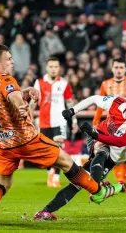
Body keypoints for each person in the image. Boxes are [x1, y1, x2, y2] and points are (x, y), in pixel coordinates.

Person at [0, 44, 121, 228]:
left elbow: (5, 96)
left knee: (2, 184)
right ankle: (97, 191)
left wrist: (25, 93)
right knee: (66, 162)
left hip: (3, 143)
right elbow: (12, 95)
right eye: (8, 58)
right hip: (26, 139)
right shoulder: (7, 79)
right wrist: (22, 105)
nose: (12, 61)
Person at [34, 89, 126, 220]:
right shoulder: (118, 103)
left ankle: (99, 189)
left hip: (115, 155)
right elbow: (94, 99)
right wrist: (72, 110)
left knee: (79, 182)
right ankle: (47, 211)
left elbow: (120, 141)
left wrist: (95, 135)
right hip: (98, 140)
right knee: (99, 154)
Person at [93, 58, 126, 192]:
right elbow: (100, 105)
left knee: (125, 155)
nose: (119, 70)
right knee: (107, 152)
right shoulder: (105, 84)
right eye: (116, 67)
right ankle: (107, 180)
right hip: (111, 124)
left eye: (121, 67)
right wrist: (95, 122)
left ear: (125, 69)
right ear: (112, 69)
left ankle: (122, 182)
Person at [32, 56, 78, 188]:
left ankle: (56, 177)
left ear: (59, 68)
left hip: (60, 121)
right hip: (44, 122)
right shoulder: (39, 82)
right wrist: (28, 116)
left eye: (56, 67)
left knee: (58, 149)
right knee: (46, 151)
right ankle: (50, 173)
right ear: (47, 68)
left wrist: (73, 120)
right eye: (51, 67)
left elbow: (69, 103)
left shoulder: (64, 83)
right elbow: (32, 102)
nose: (53, 69)